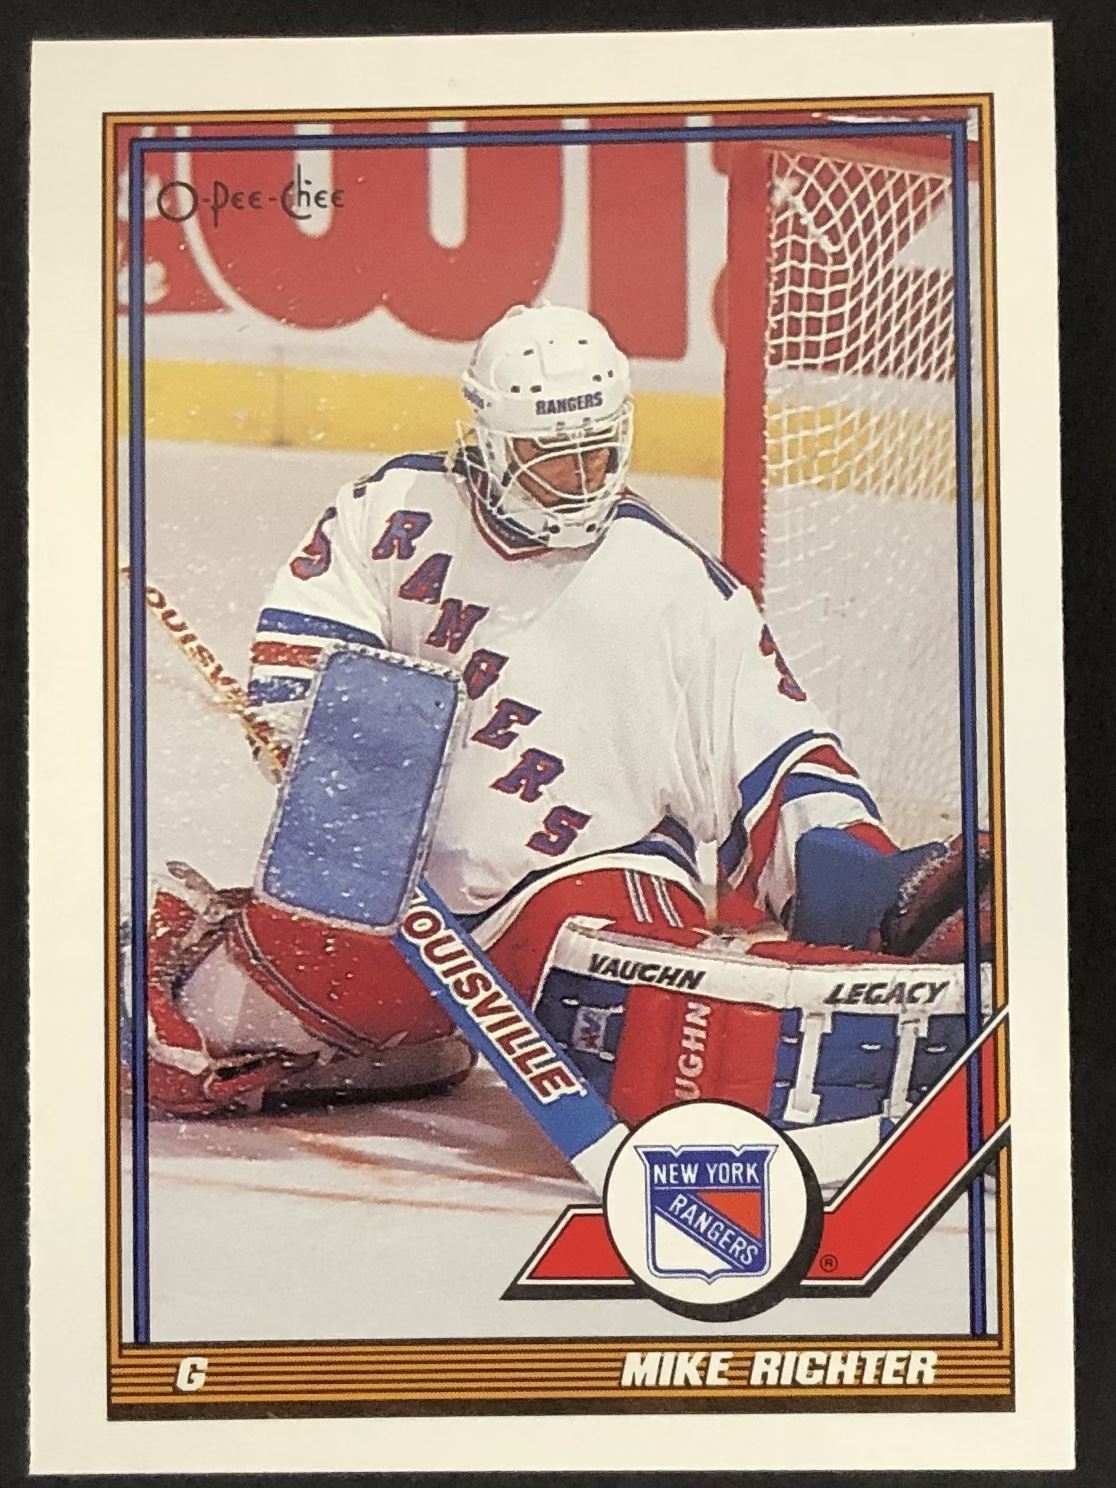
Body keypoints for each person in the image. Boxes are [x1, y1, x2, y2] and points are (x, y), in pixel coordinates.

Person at [144, 303, 988, 1121]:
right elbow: (306, 652)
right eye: (549, 457)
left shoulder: (679, 589)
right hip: (397, 913)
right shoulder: (390, 512)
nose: (580, 479)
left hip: (581, 899)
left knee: (691, 1038)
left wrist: (874, 889)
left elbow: (783, 764)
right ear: (488, 438)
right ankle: (399, 1034)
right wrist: (308, 731)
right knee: (183, 1035)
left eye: (596, 452)